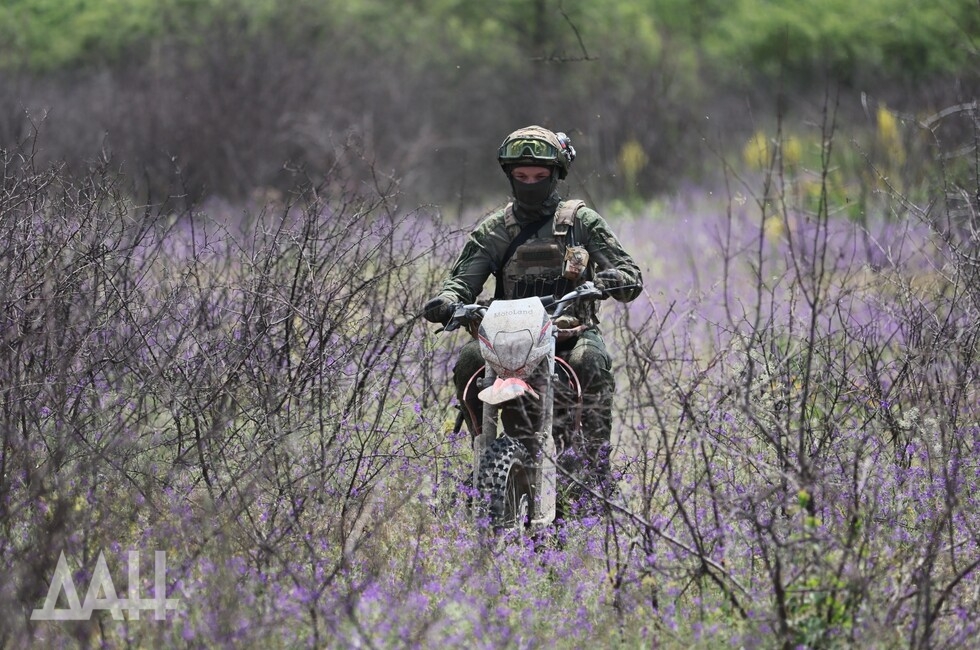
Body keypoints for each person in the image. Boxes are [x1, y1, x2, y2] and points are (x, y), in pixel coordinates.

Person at [423, 125, 642, 500]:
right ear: (509, 176)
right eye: (521, 176)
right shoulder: (495, 229)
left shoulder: (580, 222)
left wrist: (612, 280)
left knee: (592, 362)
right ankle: (482, 450)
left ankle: (593, 470)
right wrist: (448, 300)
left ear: (556, 175)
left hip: (569, 332)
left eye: (539, 176)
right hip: (510, 336)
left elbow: (629, 273)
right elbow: (463, 280)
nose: (530, 183)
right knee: (468, 360)